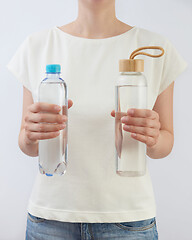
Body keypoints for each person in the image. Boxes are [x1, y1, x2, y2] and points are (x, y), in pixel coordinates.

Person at [6, 0, 188, 239]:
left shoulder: (154, 48)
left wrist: (153, 138)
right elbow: (27, 145)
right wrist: (30, 134)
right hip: (51, 219)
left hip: (128, 220)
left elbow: (165, 143)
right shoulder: (38, 46)